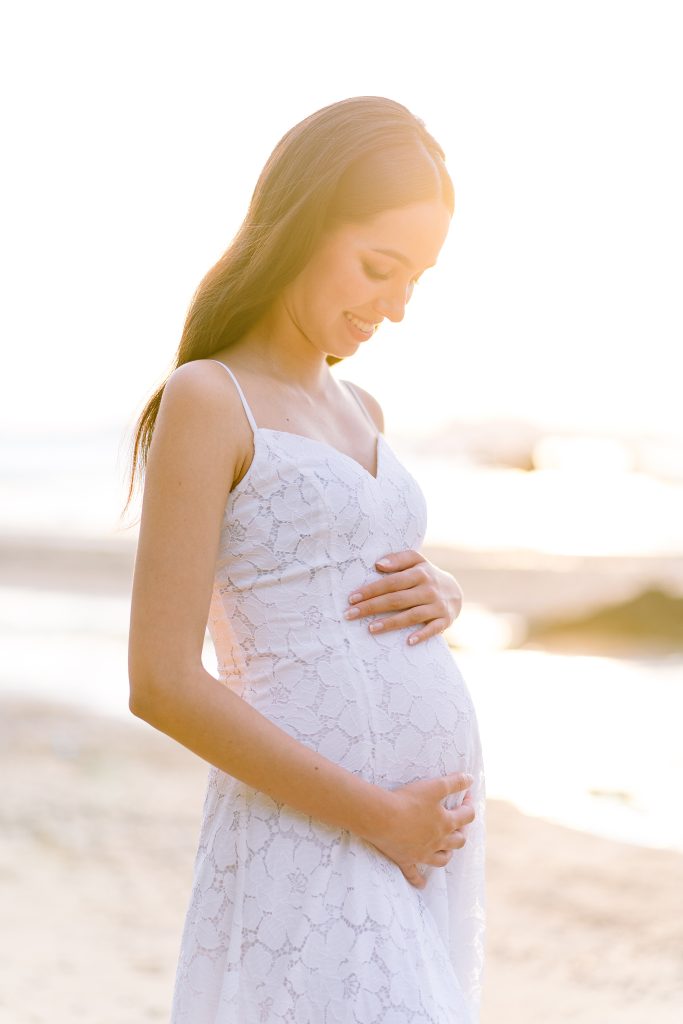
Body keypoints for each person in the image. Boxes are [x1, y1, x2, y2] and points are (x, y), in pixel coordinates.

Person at [125, 96, 486, 1023]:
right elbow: (161, 681)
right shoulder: (209, 398)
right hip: (319, 831)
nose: (395, 307)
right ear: (302, 223)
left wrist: (442, 585)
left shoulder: (362, 408)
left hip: (414, 843)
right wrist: (377, 815)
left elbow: (343, 577)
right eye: (378, 268)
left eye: (417, 280)